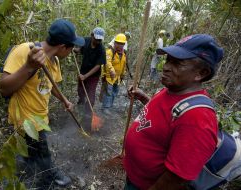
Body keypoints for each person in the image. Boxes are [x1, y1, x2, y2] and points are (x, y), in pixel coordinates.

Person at [123, 34, 224, 190]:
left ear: (201, 73)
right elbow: (166, 119)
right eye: (168, 60)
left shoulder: (198, 119)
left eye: (177, 63)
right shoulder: (172, 90)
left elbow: (176, 178)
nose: (166, 66)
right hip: (135, 177)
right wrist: (144, 98)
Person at [0, 19, 85, 189]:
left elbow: (51, 84)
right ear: (62, 47)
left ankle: (27, 174)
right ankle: (46, 180)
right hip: (25, 120)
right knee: (42, 153)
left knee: (32, 154)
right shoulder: (25, 51)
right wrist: (29, 66)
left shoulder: (55, 61)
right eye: (71, 47)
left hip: (41, 119)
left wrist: (64, 100)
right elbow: (3, 88)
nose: (72, 51)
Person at [74, 27, 106, 127]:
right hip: (83, 70)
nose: (98, 41)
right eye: (96, 38)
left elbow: (98, 66)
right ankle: (81, 101)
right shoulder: (86, 40)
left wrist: (86, 76)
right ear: (92, 35)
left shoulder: (101, 49)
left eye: (100, 39)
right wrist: (76, 50)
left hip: (93, 75)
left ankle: (88, 114)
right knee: (80, 90)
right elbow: (80, 49)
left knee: (91, 94)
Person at [101, 33, 127, 114]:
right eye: (118, 43)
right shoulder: (110, 52)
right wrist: (111, 69)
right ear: (115, 43)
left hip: (118, 78)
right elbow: (107, 61)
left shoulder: (123, 54)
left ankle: (109, 106)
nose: (120, 45)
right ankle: (105, 107)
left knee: (114, 92)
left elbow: (123, 66)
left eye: (122, 44)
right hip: (109, 77)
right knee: (108, 92)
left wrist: (123, 75)